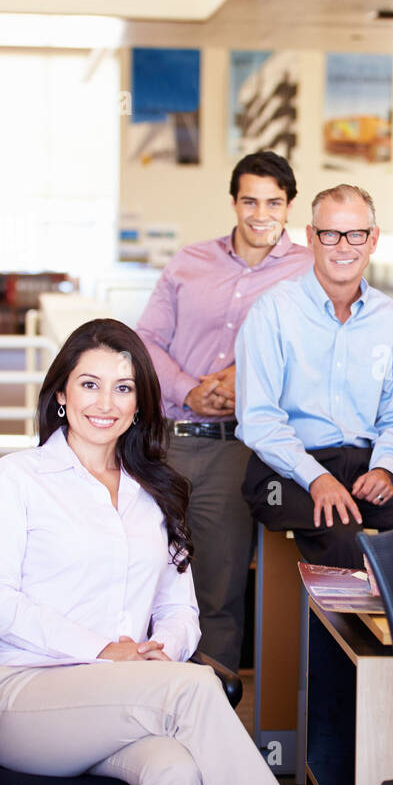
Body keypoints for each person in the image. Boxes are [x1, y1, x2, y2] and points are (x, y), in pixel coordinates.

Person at [0, 319, 284, 785]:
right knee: (195, 686)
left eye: (122, 389)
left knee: (175, 769)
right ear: (61, 395)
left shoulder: (157, 489)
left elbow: (179, 609)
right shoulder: (19, 477)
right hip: (25, 698)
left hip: (131, 691)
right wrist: (99, 649)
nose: (104, 403)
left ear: (139, 405)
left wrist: (165, 649)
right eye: (89, 385)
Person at [136, 151, 311, 670]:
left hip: (235, 448)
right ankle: (132, 708)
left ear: (289, 206)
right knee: (138, 579)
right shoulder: (190, 261)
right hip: (161, 441)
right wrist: (190, 389)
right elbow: (146, 339)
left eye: (274, 202)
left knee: (216, 590)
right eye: (250, 201)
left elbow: (314, 350)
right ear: (234, 202)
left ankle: (209, 720)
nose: (261, 214)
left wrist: (247, 380)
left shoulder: (307, 270)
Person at [236, 184, 393, 570]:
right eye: (330, 234)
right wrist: (316, 478)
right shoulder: (273, 311)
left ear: (373, 239)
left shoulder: (389, 317)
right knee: (345, 535)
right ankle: (355, 633)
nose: (344, 247)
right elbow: (258, 419)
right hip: (282, 474)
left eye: (356, 234)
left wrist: (386, 467)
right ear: (311, 237)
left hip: (365, 466)